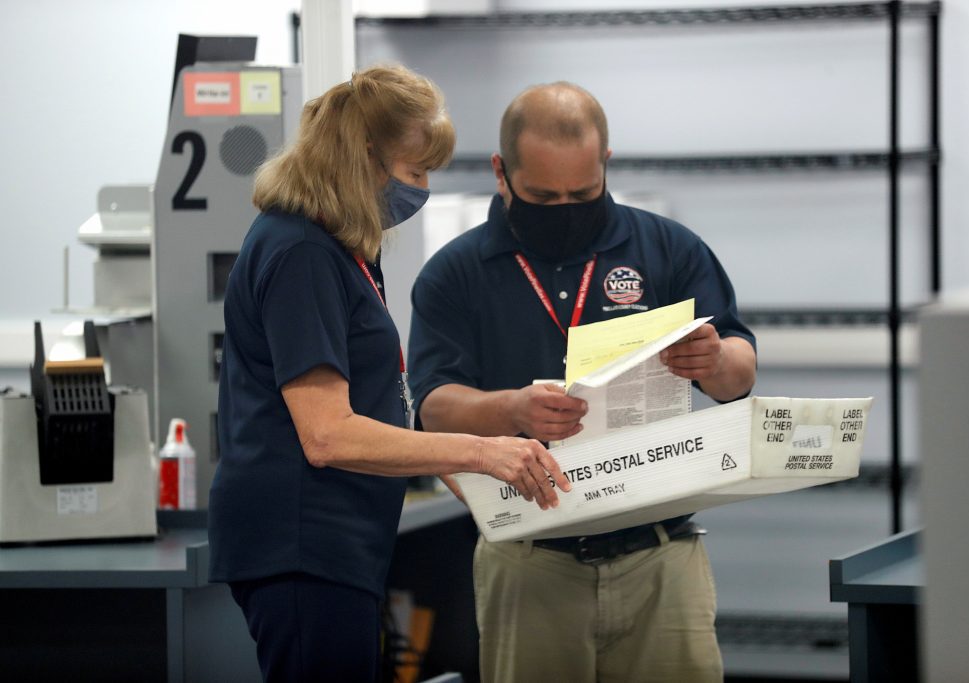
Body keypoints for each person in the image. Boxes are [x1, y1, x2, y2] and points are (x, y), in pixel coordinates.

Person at [207, 64, 571, 683]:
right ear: (363, 159)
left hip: (335, 546)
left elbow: (374, 409)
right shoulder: (300, 253)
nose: (421, 189)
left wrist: (487, 491)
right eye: (415, 172)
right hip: (302, 546)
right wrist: (482, 452)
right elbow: (328, 435)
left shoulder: (339, 250)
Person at [408, 81, 757, 683]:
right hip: (529, 558)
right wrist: (513, 408)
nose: (566, 208)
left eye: (584, 192)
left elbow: (739, 374)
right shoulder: (455, 274)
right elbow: (435, 408)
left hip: (661, 555)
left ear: (607, 167)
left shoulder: (667, 248)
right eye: (543, 195)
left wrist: (715, 360)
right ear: (501, 172)